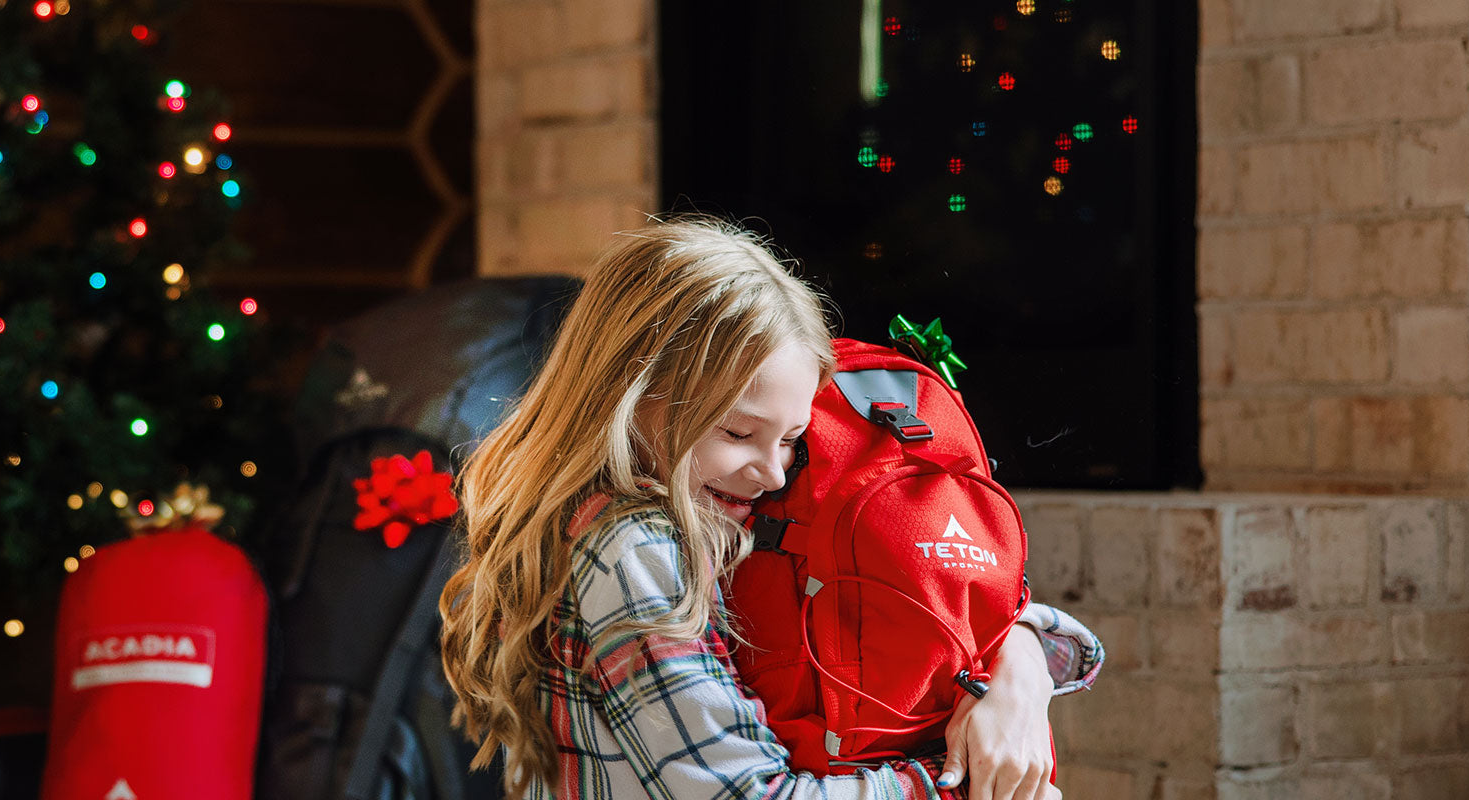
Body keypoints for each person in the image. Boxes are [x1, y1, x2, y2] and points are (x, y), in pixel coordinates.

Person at [437, 217, 1101, 800]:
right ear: (632, 393)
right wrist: (961, 783)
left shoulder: (701, 508)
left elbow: (997, 617)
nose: (773, 471)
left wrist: (1019, 673)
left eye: (790, 440)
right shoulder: (631, 548)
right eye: (737, 433)